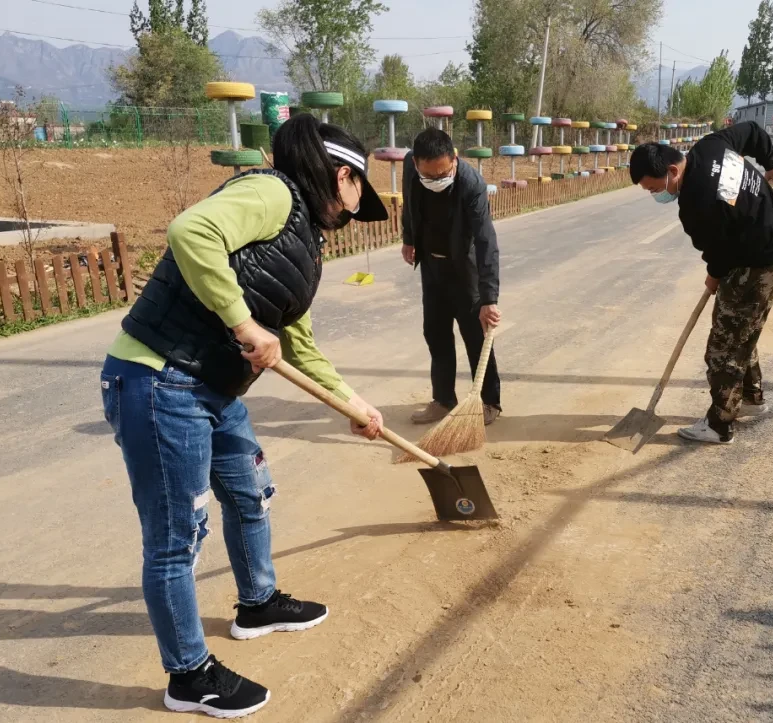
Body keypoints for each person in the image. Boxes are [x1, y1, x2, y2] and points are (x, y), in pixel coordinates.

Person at [100, 115, 389, 718]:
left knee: (249, 493)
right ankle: (187, 675)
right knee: (176, 541)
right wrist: (243, 323)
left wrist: (354, 404)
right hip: (159, 380)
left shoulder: (303, 236)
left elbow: (299, 343)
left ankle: (258, 603)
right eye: (358, 193)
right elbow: (191, 230)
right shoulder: (270, 192)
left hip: (214, 388)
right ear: (343, 177)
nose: (353, 211)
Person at [628, 121, 773, 445]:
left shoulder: (694, 203)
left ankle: (720, 425)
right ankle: (750, 398)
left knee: (723, 347)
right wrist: (770, 165)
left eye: (654, 188)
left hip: (756, 265)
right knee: (740, 329)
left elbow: (719, 252)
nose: (655, 194)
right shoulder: (711, 146)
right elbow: (754, 132)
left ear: (673, 171)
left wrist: (714, 274)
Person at [400, 127, 502, 425]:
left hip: (463, 268)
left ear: (454, 159)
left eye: (443, 173)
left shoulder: (472, 185)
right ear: (417, 163)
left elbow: (486, 241)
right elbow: (409, 201)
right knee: (435, 333)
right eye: (428, 176)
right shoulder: (411, 166)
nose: (436, 181)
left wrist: (489, 298)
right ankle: (443, 400)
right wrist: (409, 239)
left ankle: (489, 402)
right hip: (432, 265)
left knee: (475, 335)